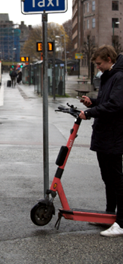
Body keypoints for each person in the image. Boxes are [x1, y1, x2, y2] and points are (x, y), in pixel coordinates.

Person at [79, 45, 123, 237]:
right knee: (108, 178)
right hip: (106, 135)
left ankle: (120, 223)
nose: (97, 67)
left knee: (116, 179)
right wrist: (93, 102)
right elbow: (106, 101)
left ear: (108, 59)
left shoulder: (119, 77)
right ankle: (109, 215)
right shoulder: (110, 76)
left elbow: (115, 105)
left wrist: (89, 113)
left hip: (114, 135)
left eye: (99, 63)